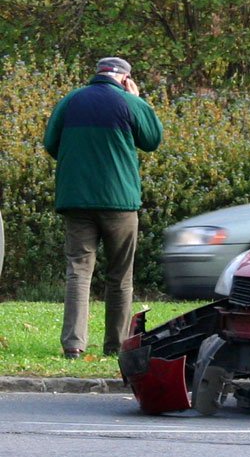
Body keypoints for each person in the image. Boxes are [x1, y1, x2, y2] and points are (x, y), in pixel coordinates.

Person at [43, 57, 163, 359]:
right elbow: (152, 140)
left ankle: (73, 345)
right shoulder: (128, 102)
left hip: (76, 200)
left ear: (97, 74)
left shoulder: (71, 100)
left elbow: (50, 143)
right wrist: (138, 101)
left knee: (78, 273)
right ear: (125, 79)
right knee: (120, 275)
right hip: (120, 202)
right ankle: (117, 346)